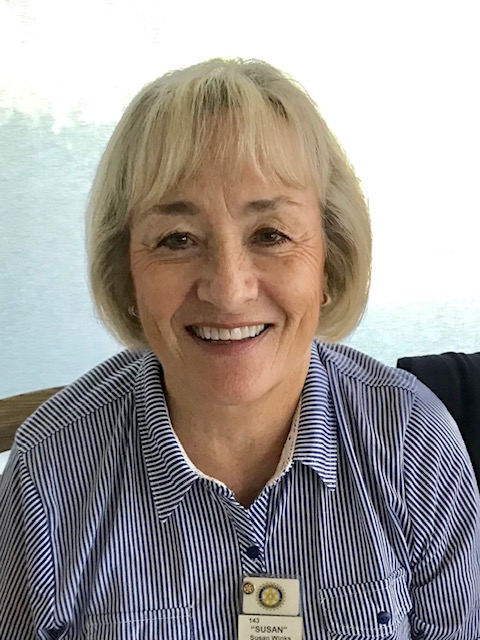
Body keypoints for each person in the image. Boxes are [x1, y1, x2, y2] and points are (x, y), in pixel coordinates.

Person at [1, 58, 479, 639]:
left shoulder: (412, 442)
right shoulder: (48, 472)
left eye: (270, 234)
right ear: (125, 273)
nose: (228, 290)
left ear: (331, 260)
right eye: (178, 239)